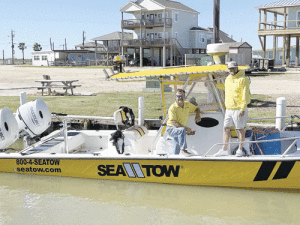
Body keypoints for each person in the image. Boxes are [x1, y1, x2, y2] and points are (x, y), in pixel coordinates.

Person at [214, 61, 251, 157]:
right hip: (229, 109)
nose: (231, 70)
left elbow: (245, 94)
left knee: (240, 129)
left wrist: (242, 109)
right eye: (230, 68)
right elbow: (225, 87)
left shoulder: (243, 79)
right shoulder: (228, 79)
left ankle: (240, 149)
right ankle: (224, 149)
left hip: (238, 108)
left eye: (233, 68)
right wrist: (214, 84)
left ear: (236, 68)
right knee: (226, 128)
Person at [166, 89, 201, 156]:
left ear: (184, 97)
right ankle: (183, 150)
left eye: (182, 96)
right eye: (178, 96)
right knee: (181, 130)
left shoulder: (187, 104)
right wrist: (186, 128)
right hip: (171, 128)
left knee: (176, 144)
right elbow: (173, 122)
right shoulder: (172, 107)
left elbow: (197, 108)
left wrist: (197, 115)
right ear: (175, 97)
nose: (180, 98)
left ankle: (175, 158)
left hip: (178, 129)